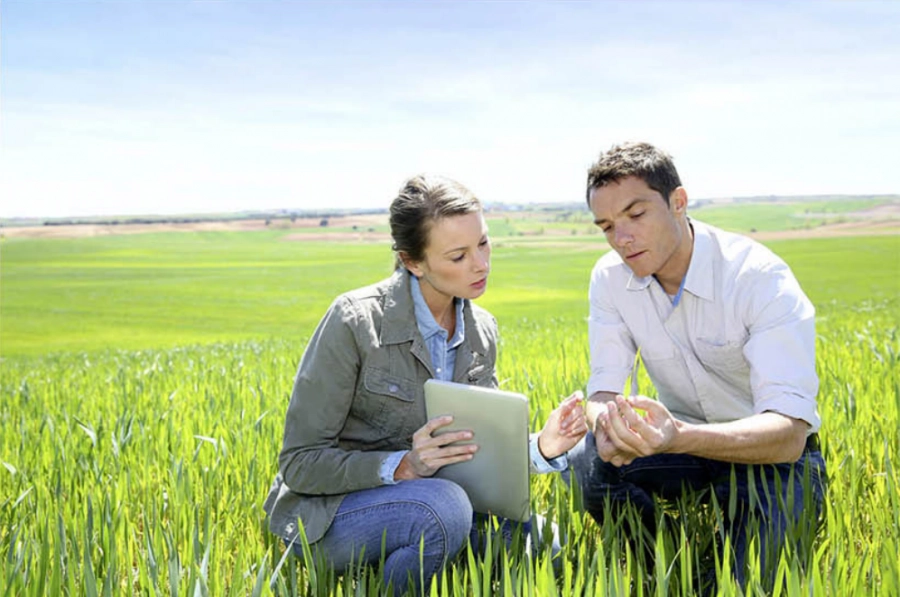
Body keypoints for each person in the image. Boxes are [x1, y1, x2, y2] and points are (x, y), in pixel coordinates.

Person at [264, 174, 587, 596]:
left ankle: (405, 566)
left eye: (484, 244)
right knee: (444, 508)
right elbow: (300, 462)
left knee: (544, 540)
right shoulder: (354, 321)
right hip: (333, 514)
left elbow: (475, 449)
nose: (481, 264)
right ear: (412, 261)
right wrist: (403, 466)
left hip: (433, 503)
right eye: (459, 256)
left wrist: (543, 447)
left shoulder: (482, 330)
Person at [568, 142, 826, 589]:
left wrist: (679, 436)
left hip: (767, 456)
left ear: (678, 203)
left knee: (744, 585)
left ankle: (717, 568)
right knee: (587, 462)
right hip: (679, 447)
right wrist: (610, 426)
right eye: (607, 226)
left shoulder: (757, 278)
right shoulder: (610, 278)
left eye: (636, 214)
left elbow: (788, 434)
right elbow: (602, 390)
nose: (621, 238)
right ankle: (671, 559)